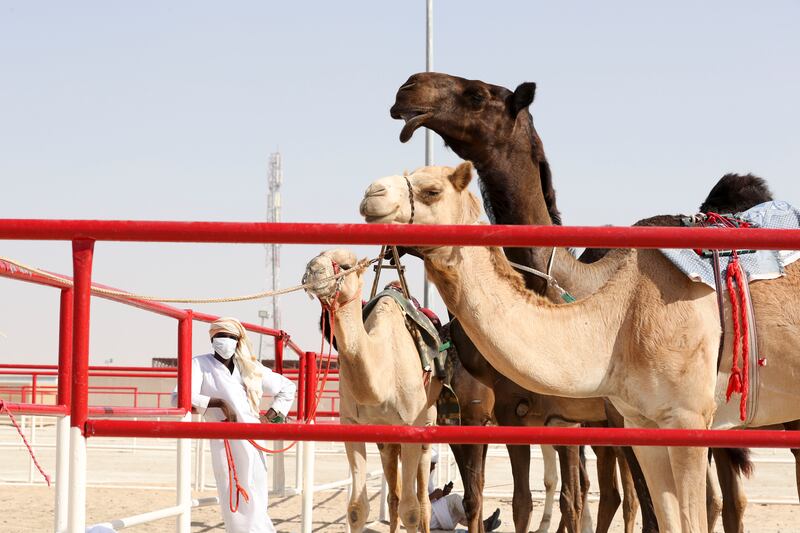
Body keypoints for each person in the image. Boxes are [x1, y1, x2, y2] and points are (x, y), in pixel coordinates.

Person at [173, 317, 296, 533]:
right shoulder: (199, 364)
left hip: (254, 438)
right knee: (235, 497)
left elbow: (287, 387)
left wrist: (272, 415)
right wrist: (217, 403)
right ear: (212, 339)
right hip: (224, 441)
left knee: (257, 496)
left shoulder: (249, 367)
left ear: (238, 340)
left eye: (230, 337)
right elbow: (178, 398)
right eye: (220, 336)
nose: (225, 341)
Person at [428, 449, 501, 532]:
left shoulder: (428, 479)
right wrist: (434, 495)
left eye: (434, 465)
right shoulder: (414, 478)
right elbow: (413, 504)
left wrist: (443, 494)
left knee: (457, 510)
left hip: (431, 512)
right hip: (422, 515)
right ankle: (481, 524)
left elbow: (432, 501)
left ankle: (482, 525)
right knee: (455, 499)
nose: (434, 467)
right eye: (432, 465)